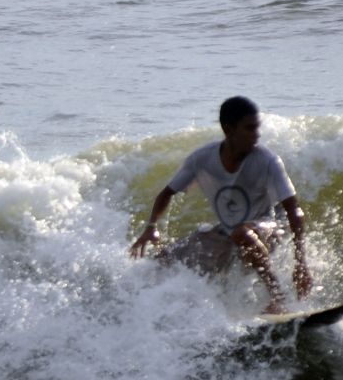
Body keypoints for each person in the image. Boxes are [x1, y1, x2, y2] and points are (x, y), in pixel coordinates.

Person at [128, 96, 313, 313]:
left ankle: (278, 298)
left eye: (257, 128)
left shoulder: (267, 160)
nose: (257, 135)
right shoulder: (202, 159)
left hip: (270, 226)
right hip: (228, 233)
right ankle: (171, 315)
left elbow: (294, 210)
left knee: (242, 233)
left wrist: (300, 262)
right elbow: (166, 193)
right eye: (249, 129)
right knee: (162, 260)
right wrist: (151, 228)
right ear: (229, 129)